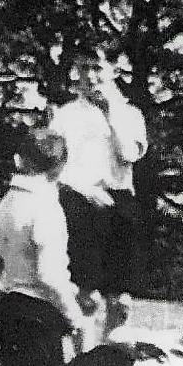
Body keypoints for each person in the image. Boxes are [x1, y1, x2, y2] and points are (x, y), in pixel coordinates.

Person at [52, 55, 148, 337]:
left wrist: (110, 113)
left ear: (113, 70)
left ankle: (112, 353)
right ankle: (85, 357)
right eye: (84, 68)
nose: (91, 76)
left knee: (120, 300)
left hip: (120, 205)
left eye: (97, 68)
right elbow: (56, 166)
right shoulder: (65, 115)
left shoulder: (131, 114)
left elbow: (129, 154)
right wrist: (86, 189)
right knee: (85, 296)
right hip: (80, 203)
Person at [0, 129, 86, 366]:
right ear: (59, 168)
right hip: (38, 315)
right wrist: (74, 315)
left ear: (19, 159)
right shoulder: (46, 207)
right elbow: (49, 275)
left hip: (9, 308)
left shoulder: (6, 202)